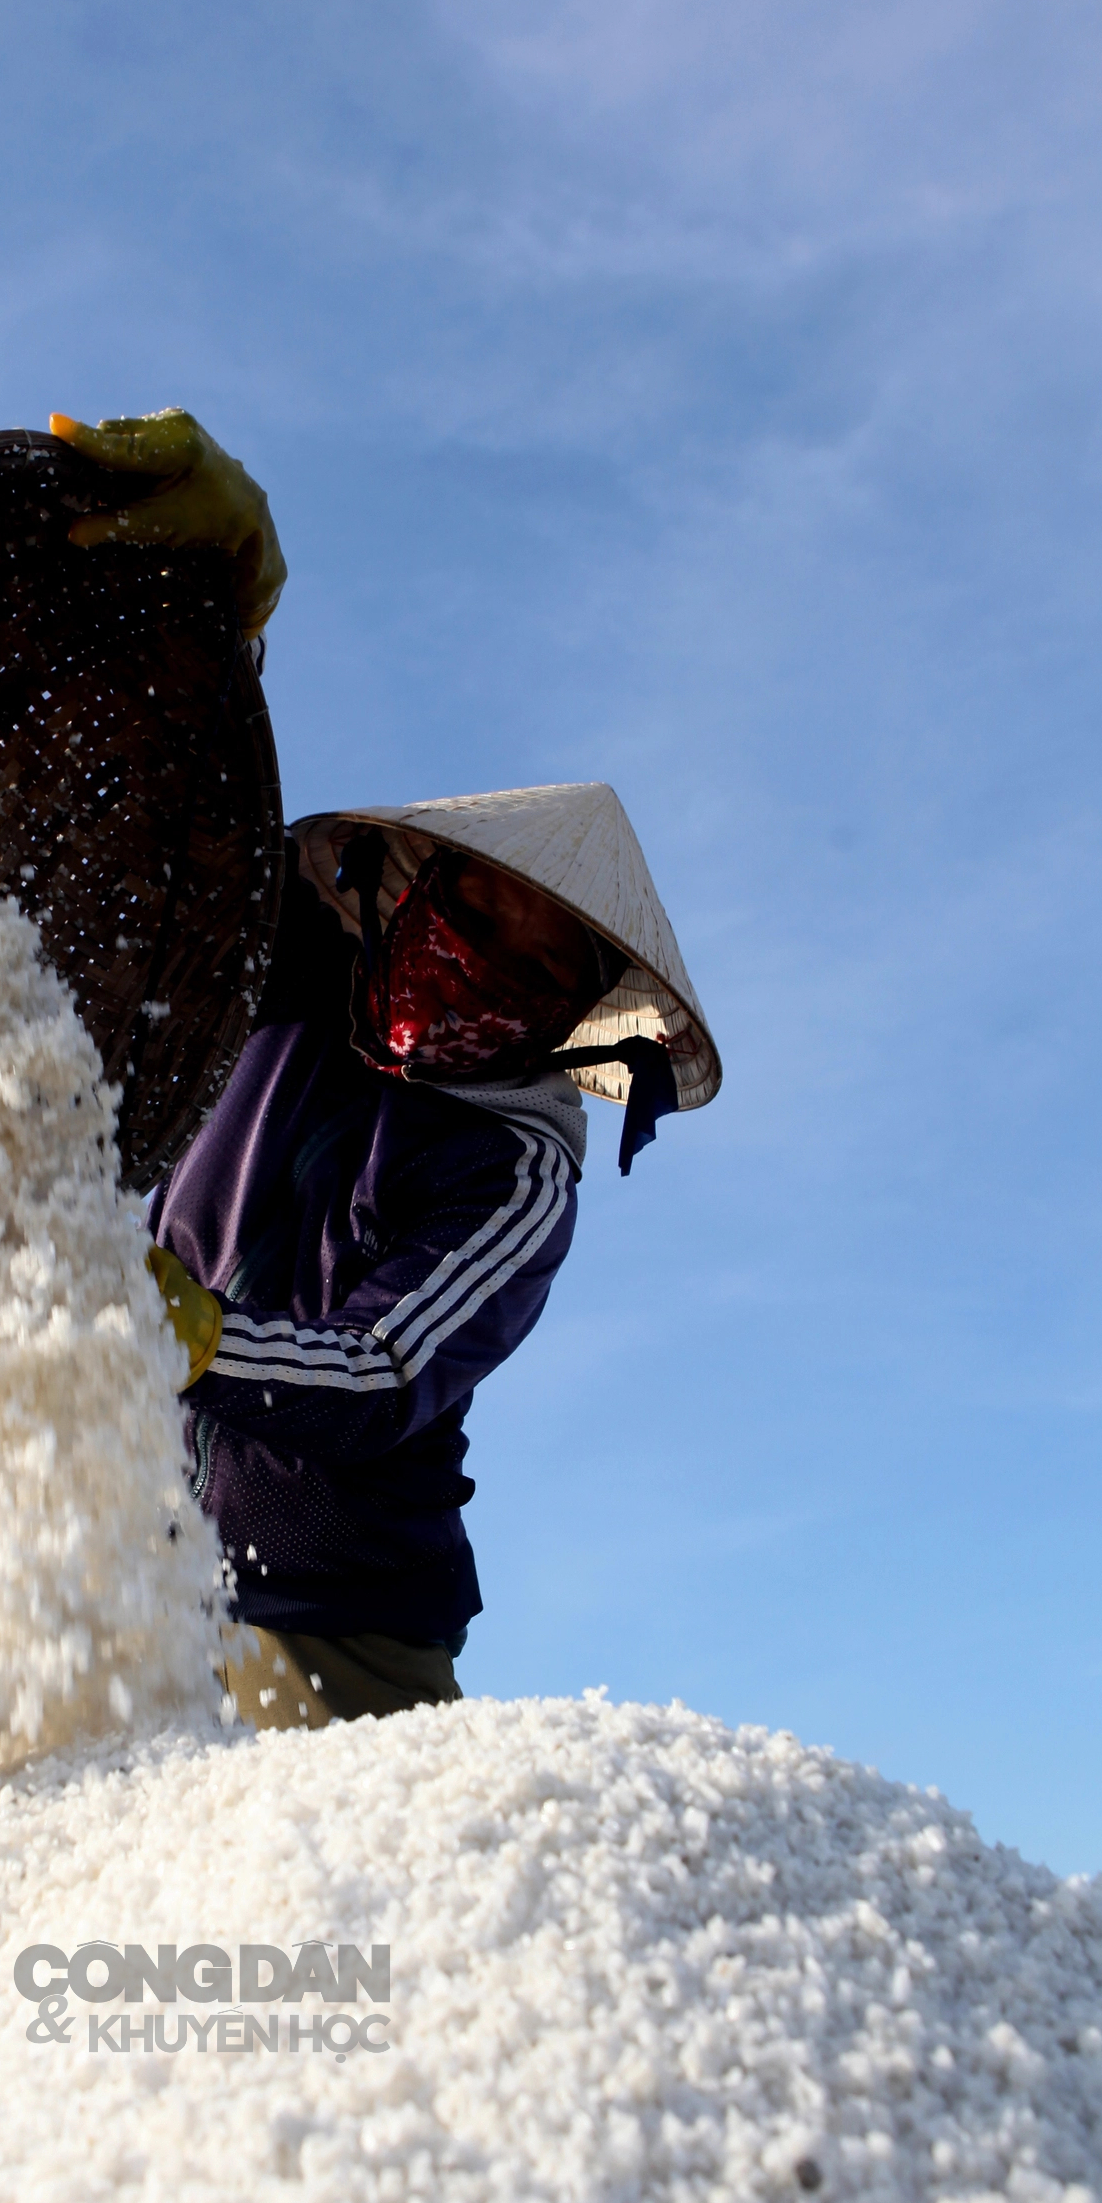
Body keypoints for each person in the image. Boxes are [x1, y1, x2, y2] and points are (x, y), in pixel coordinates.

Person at [51, 410, 722, 1727]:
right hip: (114, 1572)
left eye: (535, 975)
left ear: (576, 1023)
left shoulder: (509, 1163)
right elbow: (184, 795)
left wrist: (182, 1324)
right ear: (405, 891)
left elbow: (379, 1374)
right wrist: (227, 602)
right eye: (473, 927)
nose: (482, 976)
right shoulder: (286, 956)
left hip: (329, 1627)